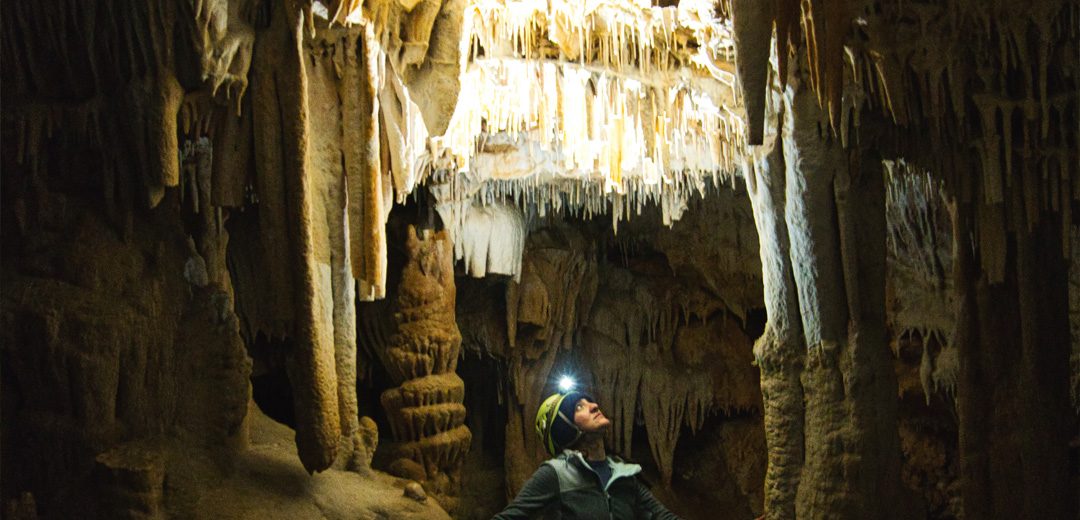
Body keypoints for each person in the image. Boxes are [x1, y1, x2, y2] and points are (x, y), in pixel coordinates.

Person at [493, 389, 682, 519]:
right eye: (578, 407)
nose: (594, 406)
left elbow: (663, 517)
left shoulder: (623, 474)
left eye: (589, 401)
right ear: (565, 429)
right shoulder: (556, 474)